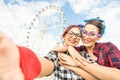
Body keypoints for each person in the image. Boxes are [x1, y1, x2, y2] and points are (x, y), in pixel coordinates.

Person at [56, 17, 120, 80]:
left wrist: (78, 64)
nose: (86, 37)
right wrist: (69, 47)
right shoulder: (79, 50)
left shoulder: (108, 47)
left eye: (92, 34)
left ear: (99, 37)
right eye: (84, 32)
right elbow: (56, 50)